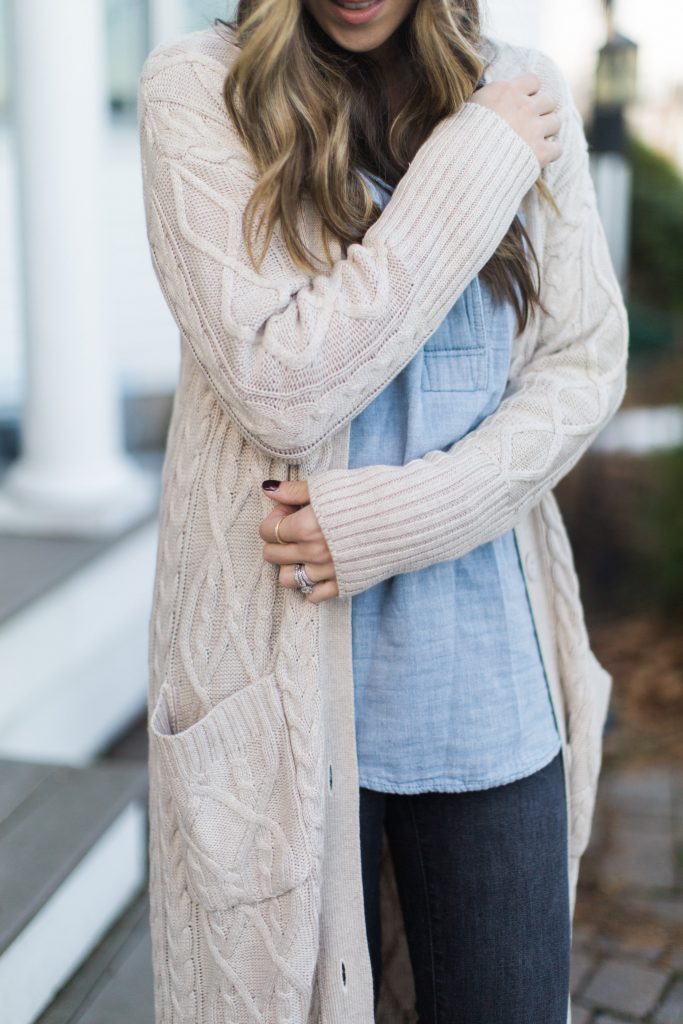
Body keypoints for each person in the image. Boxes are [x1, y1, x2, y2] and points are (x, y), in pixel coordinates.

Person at [138, 2, 627, 1023]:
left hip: (484, 688)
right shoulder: (196, 92)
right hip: (274, 701)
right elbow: (280, 383)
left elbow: (581, 367)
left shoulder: (523, 88)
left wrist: (393, 519)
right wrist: (477, 158)